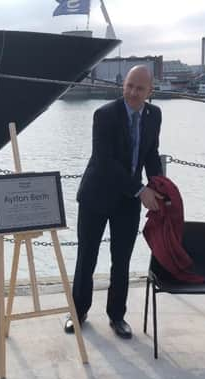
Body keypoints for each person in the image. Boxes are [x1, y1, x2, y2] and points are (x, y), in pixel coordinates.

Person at [65, 65, 163, 339]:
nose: (132, 92)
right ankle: (78, 312)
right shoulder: (105, 115)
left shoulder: (154, 115)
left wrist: (160, 188)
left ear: (149, 91)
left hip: (127, 201)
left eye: (139, 88)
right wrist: (140, 189)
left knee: (121, 260)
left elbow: (151, 154)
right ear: (124, 85)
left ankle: (117, 315)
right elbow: (104, 162)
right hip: (96, 196)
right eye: (129, 86)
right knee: (87, 256)